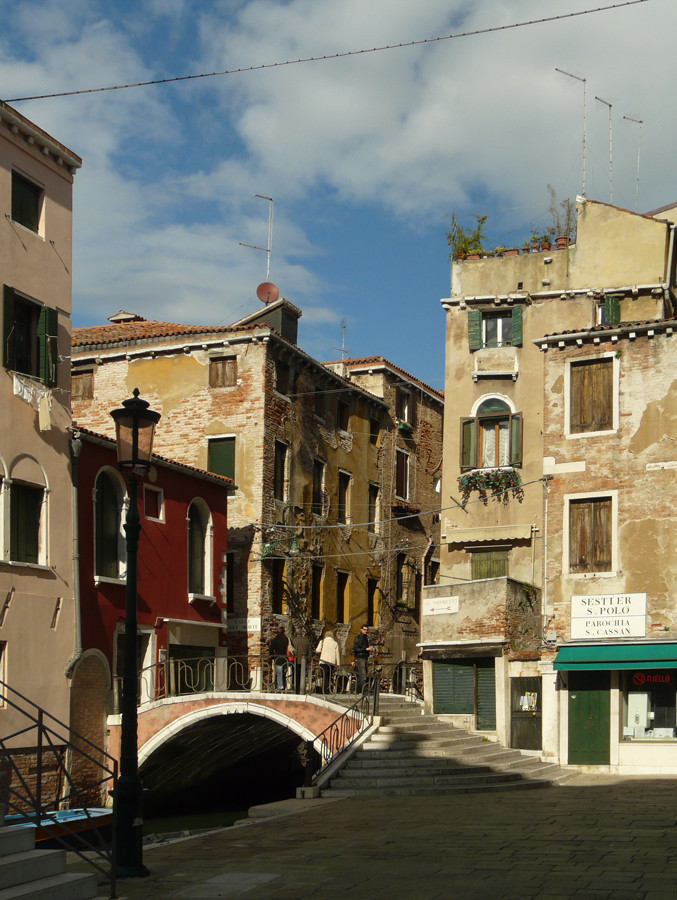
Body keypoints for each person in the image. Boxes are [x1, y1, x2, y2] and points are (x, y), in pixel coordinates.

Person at [351, 624, 375, 693]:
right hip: (360, 658)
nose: (366, 631)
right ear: (361, 630)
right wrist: (366, 649)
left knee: (360, 675)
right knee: (363, 675)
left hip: (364, 657)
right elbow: (355, 649)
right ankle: (364, 690)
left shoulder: (365, 638)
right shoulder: (359, 638)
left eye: (367, 630)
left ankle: (357, 690)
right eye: (364, 629)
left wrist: (368, 650)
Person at [316, 629, 340, 694]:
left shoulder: (322, 641)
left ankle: (324, 689)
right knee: (329, 675)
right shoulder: (335, 643)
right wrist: (338, 664)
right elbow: (337, 654)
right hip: (331, 662)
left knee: (324, 675)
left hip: (323, 661)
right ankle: (328, 688)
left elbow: (317, 650)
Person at [269, 625, 291, 691]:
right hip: (285, 658)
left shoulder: (274, 640)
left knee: (279, 674)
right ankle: (283, 686)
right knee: (283, 674)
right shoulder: (286, 640)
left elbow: (271, 650)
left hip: (278, 658)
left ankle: (280, 687)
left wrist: (273, 657)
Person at [293, 628, 310, 694]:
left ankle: (296, 689)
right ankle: (302, 689)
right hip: (304, 661)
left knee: (295, 675)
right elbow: (309, 651)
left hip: (295, 660)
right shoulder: (306, 640)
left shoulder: (293, 640)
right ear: (301, 633)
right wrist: (309, 660)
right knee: (302, 675)